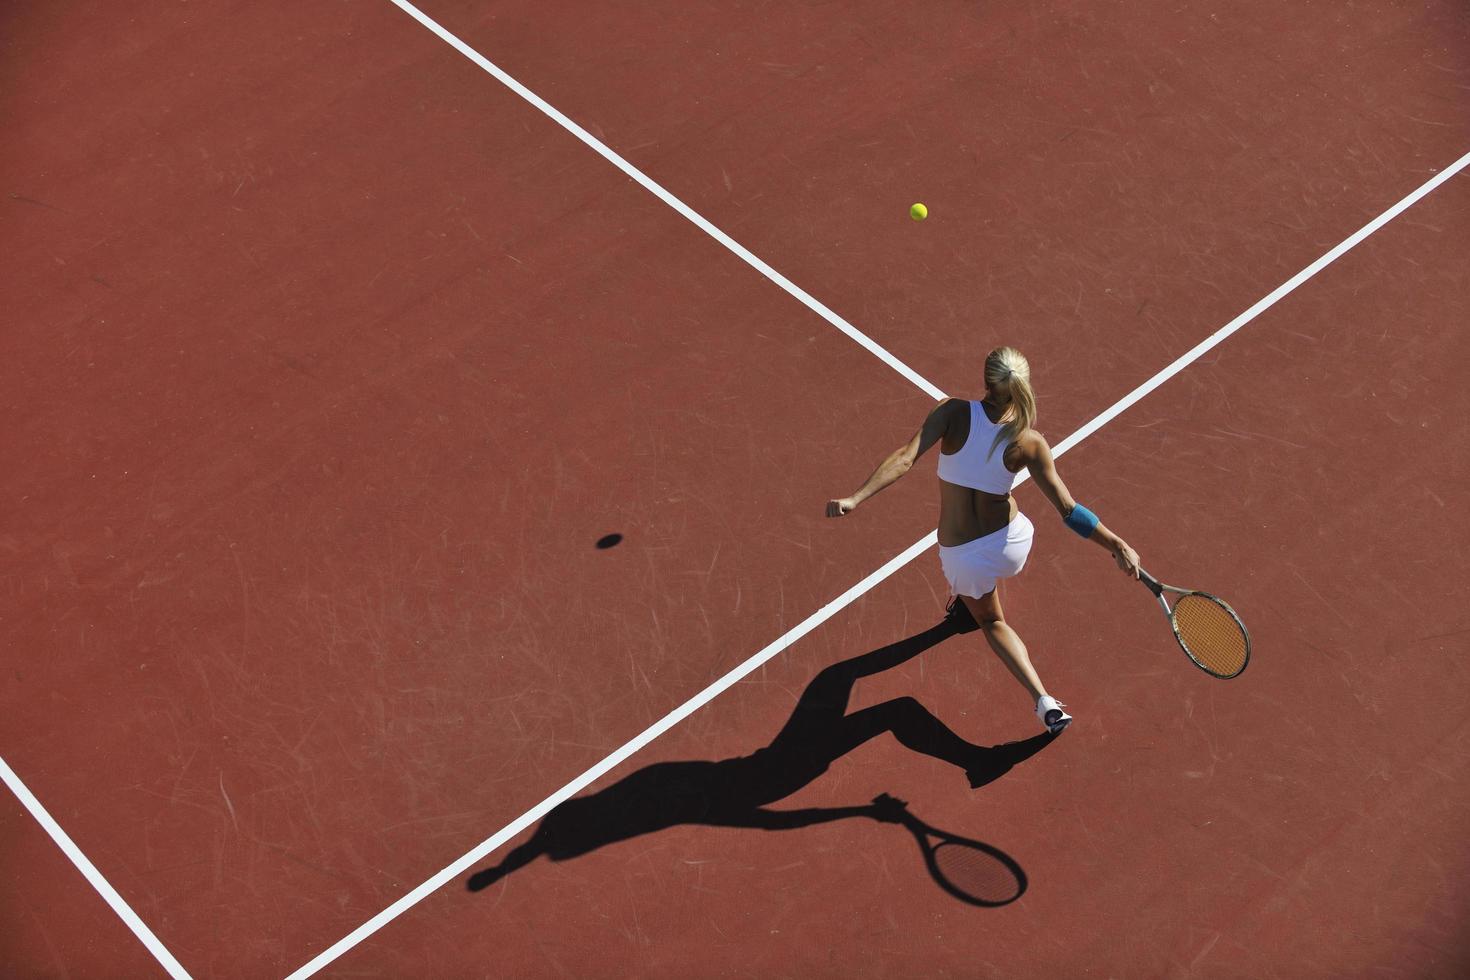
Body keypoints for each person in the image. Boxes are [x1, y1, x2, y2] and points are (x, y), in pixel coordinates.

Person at [825, 347, 1140, 733]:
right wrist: (1117, 545)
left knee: (991, 622)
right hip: (1013, 544)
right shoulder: (1030, 441)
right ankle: (971, 611)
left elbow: (905, 459)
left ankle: (1044, 702)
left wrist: (854, 498)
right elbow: (1069, 509)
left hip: (965, 558)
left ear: (986, 380)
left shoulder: (952, 412)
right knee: (1002, 506)